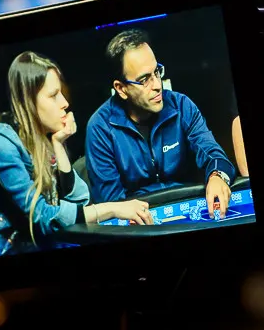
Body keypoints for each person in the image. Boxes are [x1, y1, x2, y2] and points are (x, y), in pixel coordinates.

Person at [0, 52, 155, 260]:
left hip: (33, 244)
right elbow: (42, 217)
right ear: (28, 101)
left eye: (61, 93)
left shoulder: (42, 138)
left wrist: (59, 145)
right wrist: (114, 209)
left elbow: (80, 201)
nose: (64, 103)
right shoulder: (0, 144)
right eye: (53, 95)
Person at [86, 29, 235, 218]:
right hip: (138, 222)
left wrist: (217, 176)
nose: (157, 85)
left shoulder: (182, 106)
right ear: (121, 88)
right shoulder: (100, 128)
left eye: (156, 72)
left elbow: (214, 154)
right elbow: (111, 204)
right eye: (144, 80)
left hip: (188, 210)